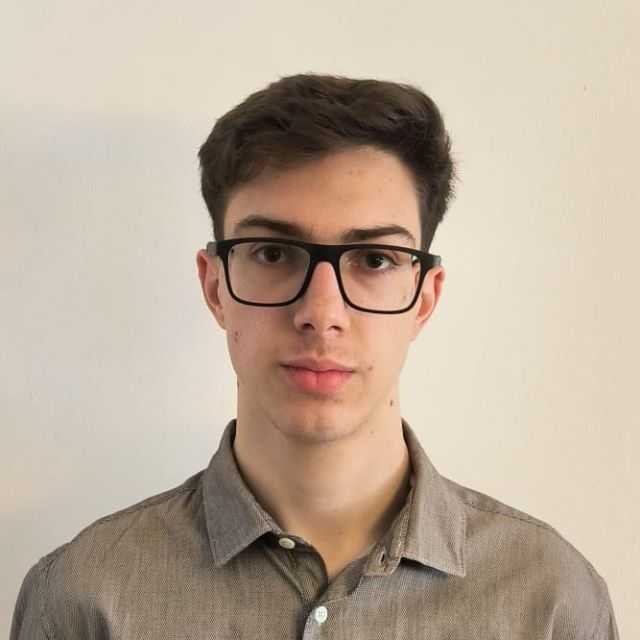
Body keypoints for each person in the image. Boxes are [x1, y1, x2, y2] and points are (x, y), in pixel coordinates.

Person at [11, 73, 619, 639]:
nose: (321, 312)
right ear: (215, 286)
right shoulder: (84, 598)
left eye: (375, 259)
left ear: (424, 298)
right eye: (273, 253)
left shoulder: (549, 601)